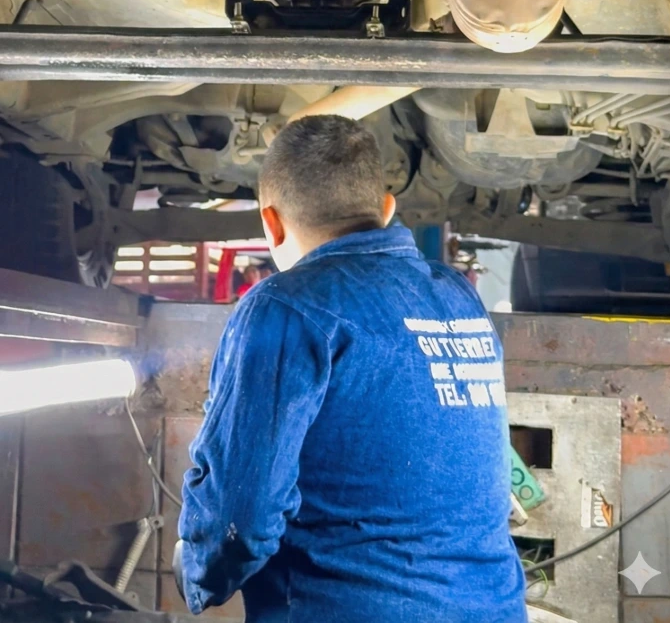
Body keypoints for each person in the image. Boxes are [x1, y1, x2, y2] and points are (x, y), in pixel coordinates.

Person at [177, 115, 526, 623]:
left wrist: (199, 570)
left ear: (271, 223)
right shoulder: (456, 295)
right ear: (387, 208)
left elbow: (240, 514)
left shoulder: (286, 305)